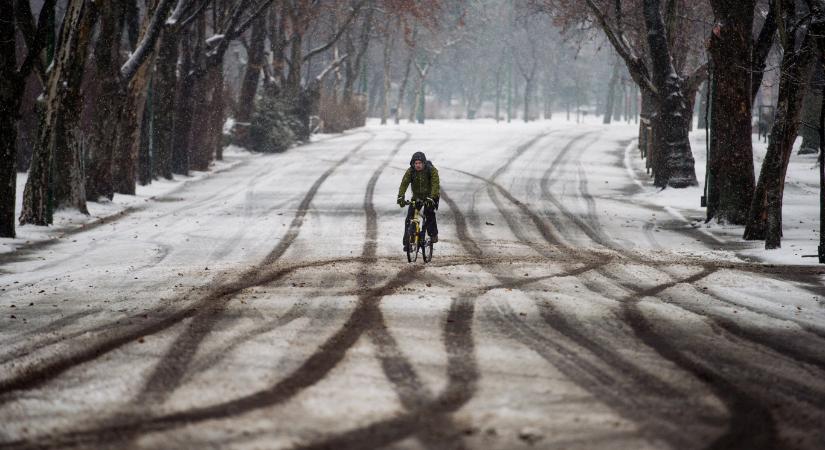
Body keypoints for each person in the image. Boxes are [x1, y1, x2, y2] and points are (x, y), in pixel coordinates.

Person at [397, 151, 439, 251]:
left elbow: (435, 185)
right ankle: (407, 243)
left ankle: (433, 235)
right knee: (409, 218)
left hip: (431, 196)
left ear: (424, 163)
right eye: (416, 163)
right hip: (417, 197)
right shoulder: (410, 171)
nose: (418, 165)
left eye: (420, 163)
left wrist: (432, 197)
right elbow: (404, 184)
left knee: (429, 213)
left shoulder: (431, 170)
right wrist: (400, 197)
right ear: (413, 164)